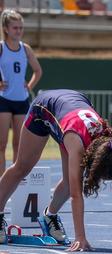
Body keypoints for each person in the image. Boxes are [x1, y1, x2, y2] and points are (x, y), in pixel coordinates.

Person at [0, 89, 112, 252]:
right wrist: (80, 237)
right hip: (44, 109)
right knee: (22, 167)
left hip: (71, 109)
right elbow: (76, 195)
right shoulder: (77, 144)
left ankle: (49, 216)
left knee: (69, 181)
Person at [0, 9, 42, 176]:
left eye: (20, 27)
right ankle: (2, 180)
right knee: (2, 144)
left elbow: (38, 71)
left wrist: (29, 86)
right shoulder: (1, 48)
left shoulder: (26, 49)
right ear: (6, 29)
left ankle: (15, 179)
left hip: (21, 100)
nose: (18, 31)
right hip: (3, 99)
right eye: (15, 27)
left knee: (19, 144)